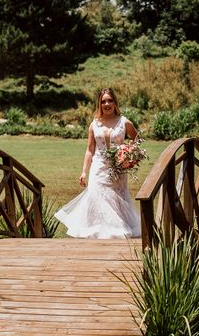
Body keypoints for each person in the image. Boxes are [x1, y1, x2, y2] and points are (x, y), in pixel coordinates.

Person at [54, 88, 141, 239]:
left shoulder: (124, 122)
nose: (107, 104)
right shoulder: (94, 124)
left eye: (110, 100)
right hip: (98, 166)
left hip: (118, 167)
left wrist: (128, 152)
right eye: (103, 101)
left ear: (115, 102)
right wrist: (84, 172)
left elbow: (137, 138)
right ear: (99, 104)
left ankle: (117, 228)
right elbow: (89, 149)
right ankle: (98, 230)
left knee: (116, 199)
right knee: (96, 194)